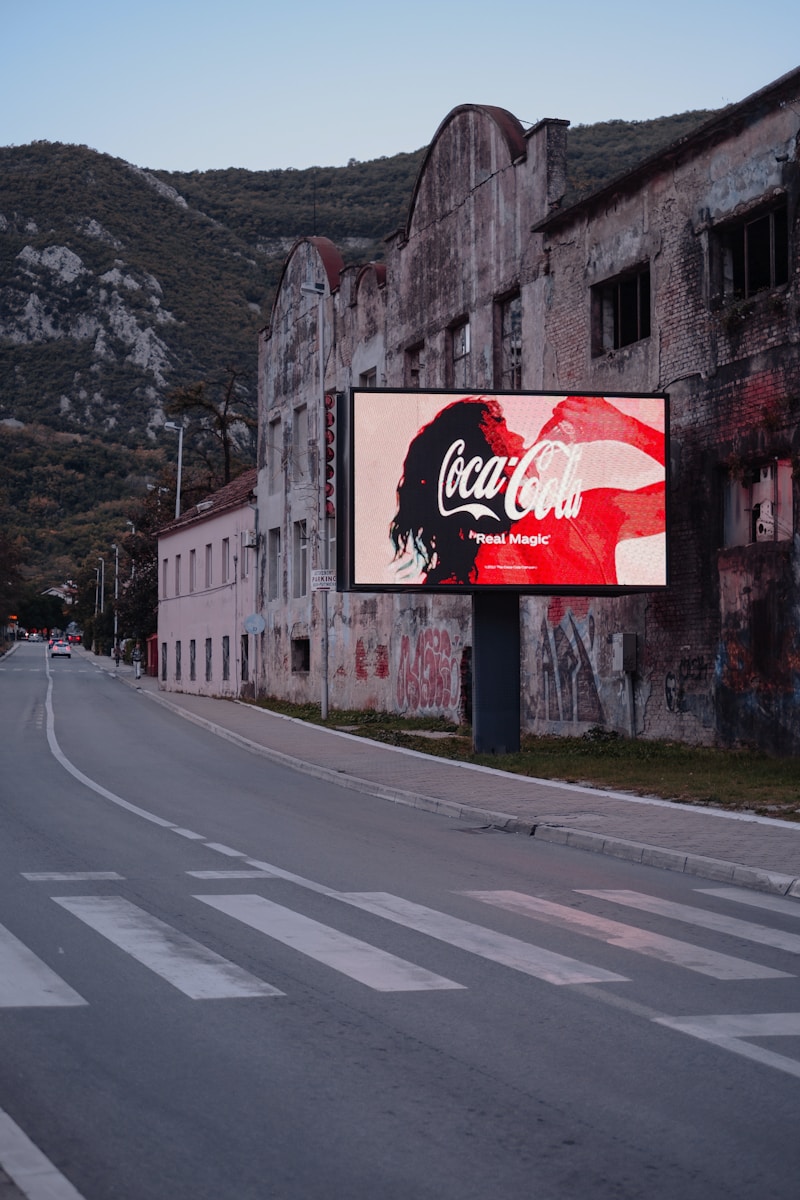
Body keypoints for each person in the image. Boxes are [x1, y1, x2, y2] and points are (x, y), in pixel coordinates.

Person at [390, 394, 665, 587]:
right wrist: (627, 430)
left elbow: (679, 500)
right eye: (500, 434)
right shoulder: (582, 524)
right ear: (472, 470)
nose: (519, 439)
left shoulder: (587, 519)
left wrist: (623, 429)